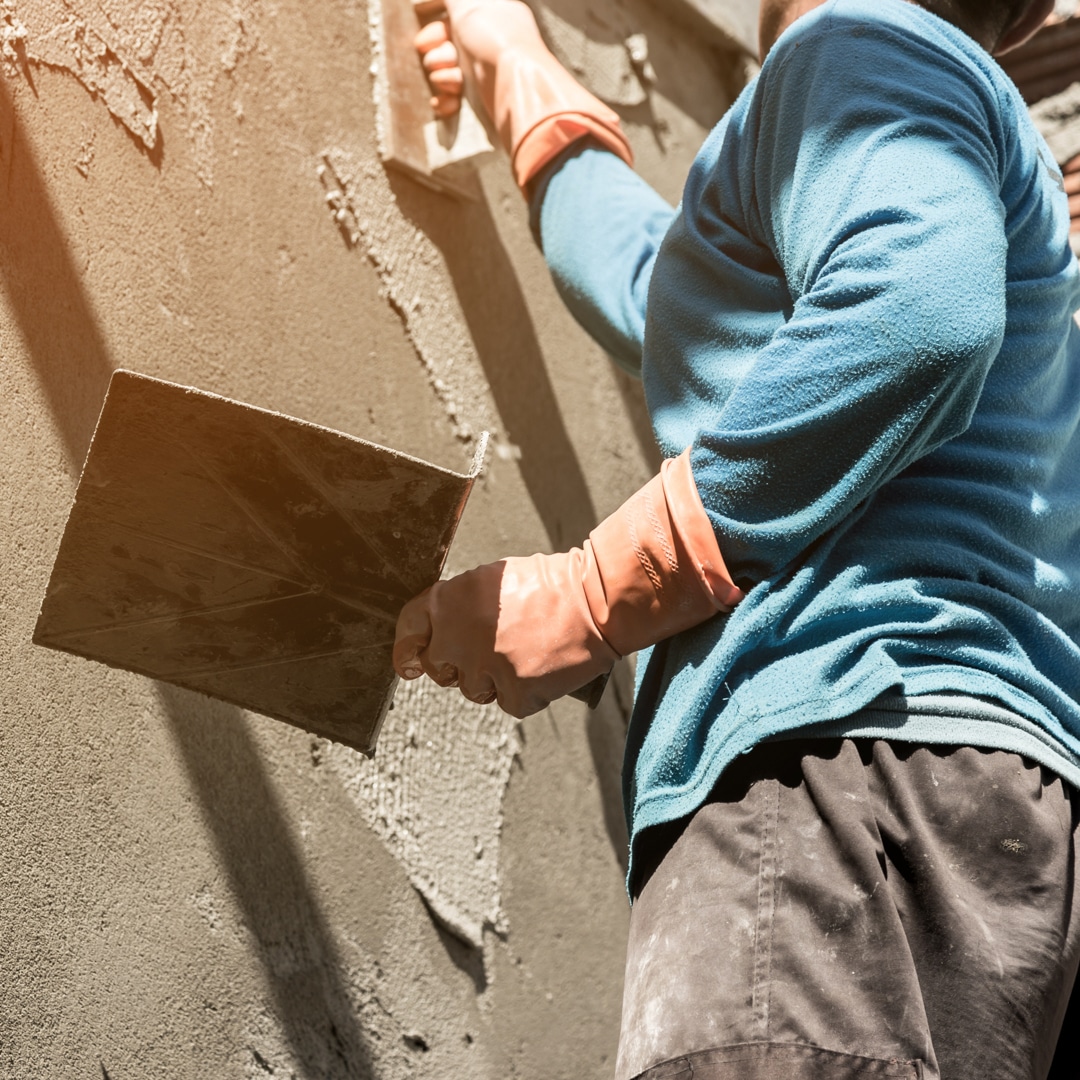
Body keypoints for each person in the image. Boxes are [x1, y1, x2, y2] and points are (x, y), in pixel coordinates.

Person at [393, 0, 1080, 1076]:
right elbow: (661, 289)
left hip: (836, 775)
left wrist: (593, 594)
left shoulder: (861, 37)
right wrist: (512, 64)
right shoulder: (924, 117)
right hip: (982, 816)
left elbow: (915, 312)